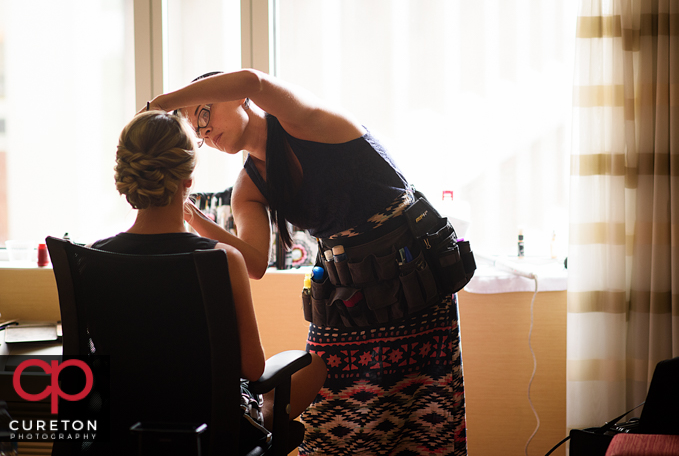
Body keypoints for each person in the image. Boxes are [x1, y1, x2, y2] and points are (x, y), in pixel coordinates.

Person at [146, 68, 468, 455]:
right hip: (346, 299)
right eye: (198, 131)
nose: (205, 133)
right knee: (332, 422)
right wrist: (194, 218)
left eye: (204, 114)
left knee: (422, 421)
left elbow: (253, 79)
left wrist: (166, 103)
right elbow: (253, 263)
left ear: (237, 99)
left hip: (411, 284)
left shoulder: (305, 121)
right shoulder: (248, 186)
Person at [92, 110, 327, 442]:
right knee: (313, 366)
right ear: (188, 180)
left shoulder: (93, 256)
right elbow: (253, 367)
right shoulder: (222, 259)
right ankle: (263, 424)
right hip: (210, 429)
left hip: (120, 428)